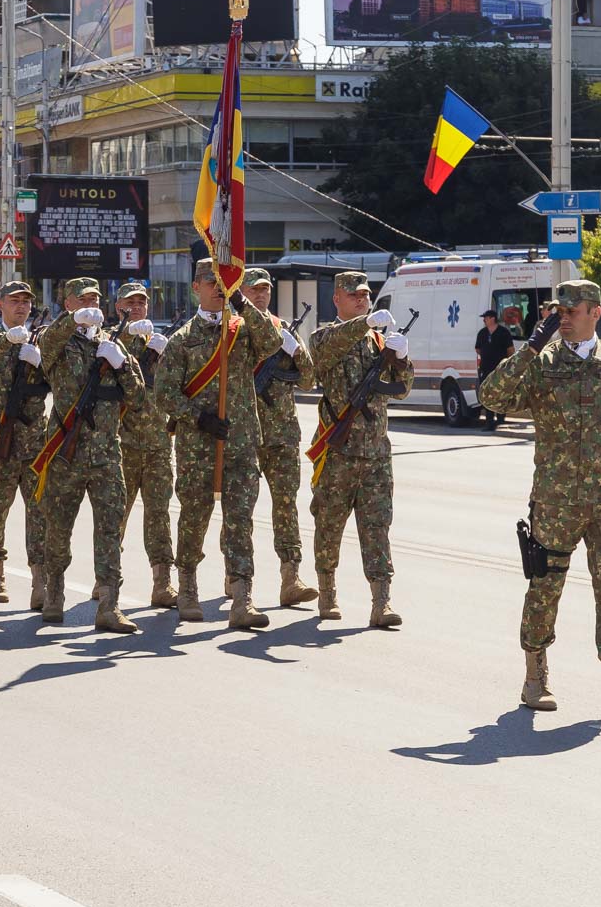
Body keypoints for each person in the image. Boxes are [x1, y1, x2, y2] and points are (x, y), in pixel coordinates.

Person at [479, 279, 601, 724]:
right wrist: (531, 347)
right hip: (555, 498)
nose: (564, 318)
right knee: (545, 588)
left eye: (572, 311)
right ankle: (535, 676)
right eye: (559, 311)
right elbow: (490, 396)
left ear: (596, 311)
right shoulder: (542, 363)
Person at [152, 257, 283, 630]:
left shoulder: (242, 330)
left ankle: (242, 597)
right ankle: (188, 585)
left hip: (241, 443)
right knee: (194, 518)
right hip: (197, 447)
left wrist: (242, 303)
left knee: (240, 521)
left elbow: (272, 343)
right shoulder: (182, 340)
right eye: (211, 283)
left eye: (223, 283)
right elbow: (164, 395)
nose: (217, 289)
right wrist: (199, 417)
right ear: (196, 287)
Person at [33, 277, 144, 631]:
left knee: (110, 530)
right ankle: (54, 592)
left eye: (95, 298)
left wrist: (121, 365)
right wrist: (73, 321)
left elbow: (139, 399)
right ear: (67, 304)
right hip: (66, 453)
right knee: (57, 527)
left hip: (107, 456)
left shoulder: (112, 344)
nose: (91, 304)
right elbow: (47, 343)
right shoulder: (58, 343)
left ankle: (109, 605)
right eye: (82, 299)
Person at [308, 271, 413, 628]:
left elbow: (401, 389)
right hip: (339, 453)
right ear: (337, 298)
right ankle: (327, 591)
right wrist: (365, 324)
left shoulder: (377, 343)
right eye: (354, 296)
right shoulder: (323, 337)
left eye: (366, 296)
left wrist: (401, 359)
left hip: (376, 455)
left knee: (377, 528)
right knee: (329, 525)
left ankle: (381, 602)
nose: (362, 300)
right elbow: (328, 348)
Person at [241, 267, 321, 608]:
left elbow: (307, 381)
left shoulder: (282, 330)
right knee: (239, 509)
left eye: (265, 290)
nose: (261, 295)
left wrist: (295, 351)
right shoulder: (234, 330)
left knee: (286, 507)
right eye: (253, 290)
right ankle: (237, 577)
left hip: (283, 435)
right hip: (243, 434)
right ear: (240, 292)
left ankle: (291, 576)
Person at [0, 280, 49, 606]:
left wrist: (42, 361)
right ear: (1, 305)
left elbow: (64, 378)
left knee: (40, 511)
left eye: (25, 301)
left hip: (35, 441)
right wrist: (7, 344)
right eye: (14, 300)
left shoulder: (42, 342)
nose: (21, 306)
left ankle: (40, 579)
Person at [113, 283, 177, 609]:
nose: (137, 307)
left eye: (142, 302)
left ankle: (163, 582)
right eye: (130, 302)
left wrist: (166, 356)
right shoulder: (109, 340)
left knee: (159, 515)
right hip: (121, 443)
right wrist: (127, 336)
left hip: (157, 443)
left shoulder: (160, 341)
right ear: (118, 306)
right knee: (115, 515)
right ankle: (107, 579)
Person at [473, 309, 515, 424]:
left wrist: (508, 365)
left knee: (501, 394)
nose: (484, 320)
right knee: (487, 394)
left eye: (486, 318)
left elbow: (510, 350)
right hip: (485, 368)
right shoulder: (482, 333)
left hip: (500, 369)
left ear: (492, 318)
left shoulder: (504, 332)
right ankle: (489, 420)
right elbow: (478, 348)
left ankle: (500, 419)